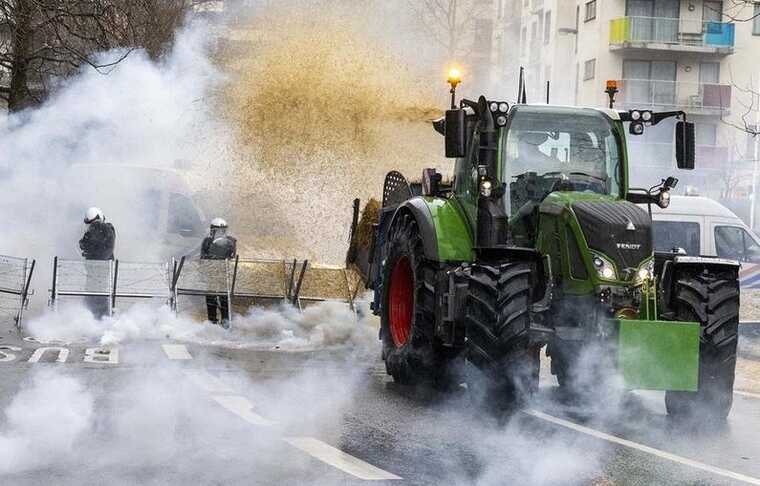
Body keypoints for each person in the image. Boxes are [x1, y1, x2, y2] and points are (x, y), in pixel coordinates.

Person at [78, 207, 116, 319]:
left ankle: (97, 318)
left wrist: (85, 247)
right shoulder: (109, 229)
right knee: (101, 294)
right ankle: (101, 318)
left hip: (97, 268)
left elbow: (85, 243)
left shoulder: (99, 228)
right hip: (103, 267)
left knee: (95, 295)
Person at [200, 218, 237, 327]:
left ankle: (226, 322)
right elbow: (203, 256)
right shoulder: (207, 241)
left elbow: (232, 256)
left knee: (224, 298)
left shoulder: (230, 241)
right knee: (211, 298)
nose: (220, 232)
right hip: (211, 273)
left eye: (222, 230)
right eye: (217, 230)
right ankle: (212, 322)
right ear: (212, 230)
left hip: (223, 273)